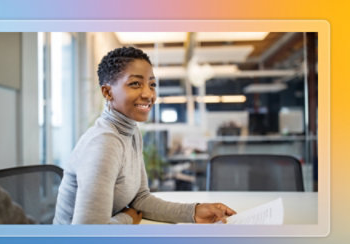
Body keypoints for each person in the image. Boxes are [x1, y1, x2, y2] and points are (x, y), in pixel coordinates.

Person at [53, 46, 236, 224]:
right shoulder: (104, 143)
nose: (149, 94)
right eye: (135, 84)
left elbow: (140, 198)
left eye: (152, 84)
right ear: (108, 92)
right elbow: (87, 237)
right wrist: (127, 218)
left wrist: (193, 212)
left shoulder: (131, 132)